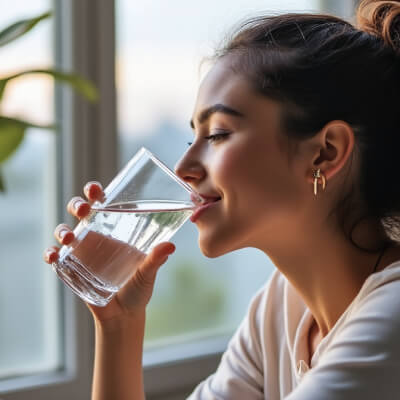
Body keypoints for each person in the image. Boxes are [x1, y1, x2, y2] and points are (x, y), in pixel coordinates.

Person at [44, 0, 400, 398]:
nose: (183, 168)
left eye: (217, 134)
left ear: (325, 153)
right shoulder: (280, 307)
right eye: (192, 136)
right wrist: (118, 325)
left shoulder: (392, 320)